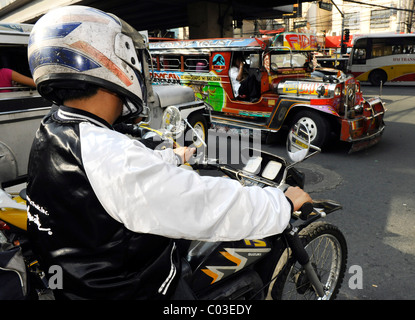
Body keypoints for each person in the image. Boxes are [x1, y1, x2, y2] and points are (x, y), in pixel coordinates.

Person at [26, 5, 312, 300]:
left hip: (80, 284)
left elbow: (123, 178)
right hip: (137, 289)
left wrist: (176, 156)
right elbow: (202, 205)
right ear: (111, 61)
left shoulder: (53, 130)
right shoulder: (109, 155)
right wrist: (281, 204)